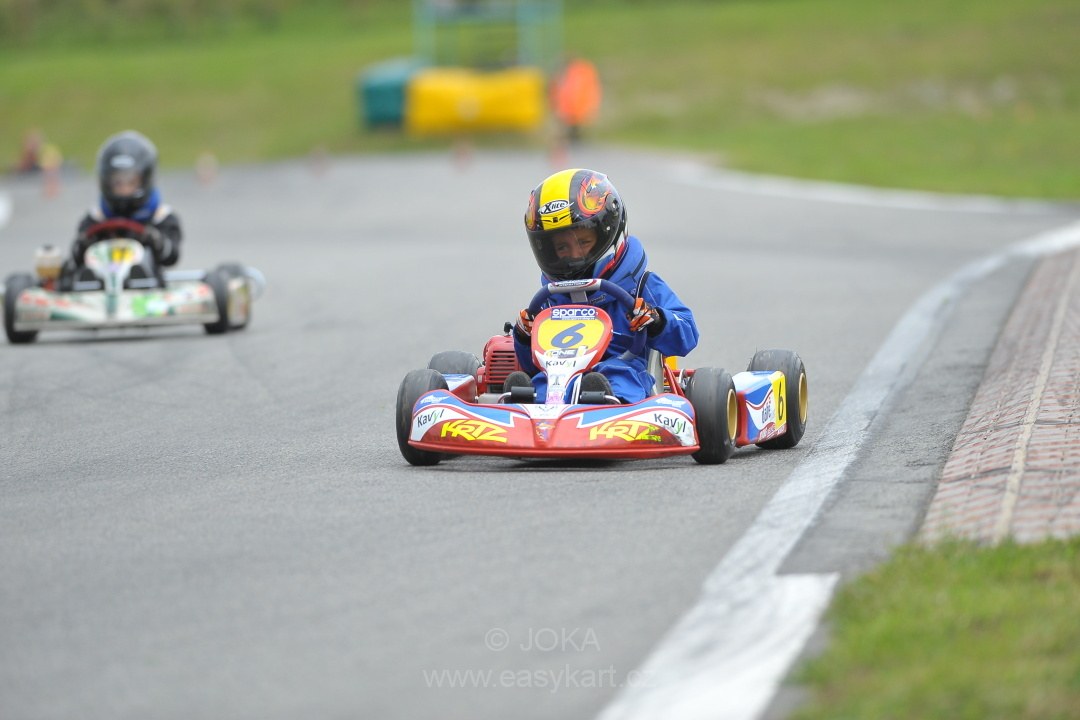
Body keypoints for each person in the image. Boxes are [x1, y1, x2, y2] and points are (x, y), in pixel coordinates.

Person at [508, 168, 699, 404]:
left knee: (616, 376)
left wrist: (657, 320)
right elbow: (532, 364)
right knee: (541, 382)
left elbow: (687, 332)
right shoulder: (550, 298)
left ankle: (607, 403)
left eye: (583, 242)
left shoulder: (642, 285)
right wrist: (524, 337)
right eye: (562, 248)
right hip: (560, 375)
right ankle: (527, 405)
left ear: (608, 232)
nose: (574, 255)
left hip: (626, 367)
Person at [61, 130, 182, 286]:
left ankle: (137, 276)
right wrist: (86, 242)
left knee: (144, 263)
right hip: (98, 288)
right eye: (118, 183)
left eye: (131, 182)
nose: (124, 189)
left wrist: (154, 240)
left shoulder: (161, 216)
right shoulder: (96, 217)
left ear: (145, 180)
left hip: (148, 289)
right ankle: (91, 281)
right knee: (76, 273)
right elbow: (76, 257)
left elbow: (171, 256)